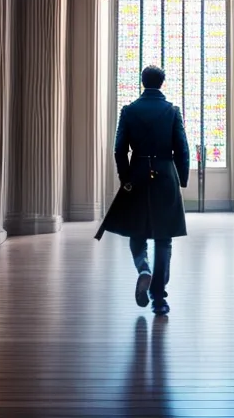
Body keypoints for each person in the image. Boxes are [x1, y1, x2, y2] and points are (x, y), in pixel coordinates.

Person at [95, 65, 190, 316]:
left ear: (142, 82)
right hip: (165, 174)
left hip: (137, 174)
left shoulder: (129, 111)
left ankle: (143, 269)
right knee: (164, 237)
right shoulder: (172, 111)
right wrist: (182, 178)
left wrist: (125, 177)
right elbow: (182, 148)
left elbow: (119, 149)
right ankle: (159, 298)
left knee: (137, 232)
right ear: (162, 83)